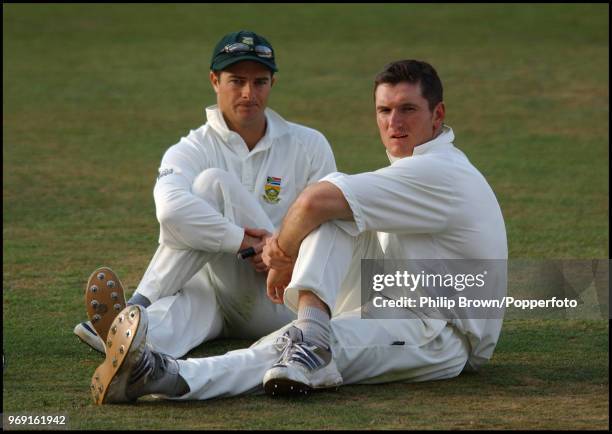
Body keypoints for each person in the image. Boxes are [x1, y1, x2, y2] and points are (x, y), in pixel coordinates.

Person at [89, 59, 507, 404]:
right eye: (384, 110)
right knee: (339, 202)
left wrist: (280, 254)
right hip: (383, 299)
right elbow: (324, 205)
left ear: (438, 115)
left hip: (439, 336)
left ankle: (166, 375)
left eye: (408, 109)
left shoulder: (440, 172)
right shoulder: (418, 170)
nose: (394, 122)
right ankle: (309, 330)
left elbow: (311, 203)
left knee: (289, 345)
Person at [74, 29, 336, 367]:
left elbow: (330, 228)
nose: (248, 93)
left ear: (273, 83)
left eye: (259, 82)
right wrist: (243, 240)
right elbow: (170, 212)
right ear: (214, 80)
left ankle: (137, 304)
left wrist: (283, 249)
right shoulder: (191, 148)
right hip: (214, 295)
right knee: (168, 313)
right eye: (236, 81)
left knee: (212, 184)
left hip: (276, 295)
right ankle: (128, 337)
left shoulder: (310, 144)